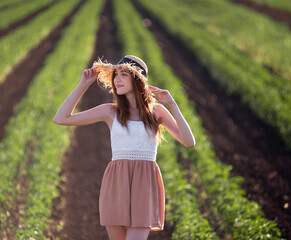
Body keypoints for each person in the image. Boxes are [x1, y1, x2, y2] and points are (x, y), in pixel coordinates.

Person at [53, 55, 195, 240]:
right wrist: (83, 85)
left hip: (145, 182)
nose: (117, 79)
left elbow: (189, 141)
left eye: (124, 74)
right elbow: (61, 118)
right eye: (116, 75)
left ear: (137, 80)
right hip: (116, 180)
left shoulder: (157, 113)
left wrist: (172, 105)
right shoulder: (110, 111)